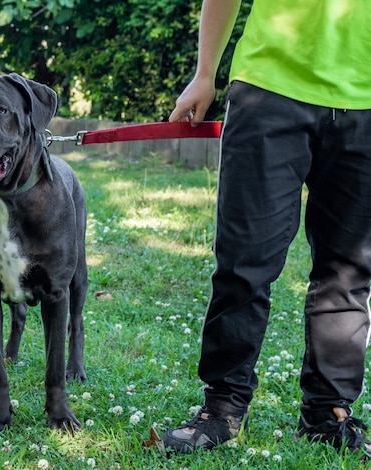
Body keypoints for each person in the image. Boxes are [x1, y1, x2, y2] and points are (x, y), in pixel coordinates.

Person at [162, 0, 371, 457]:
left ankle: (328, 413)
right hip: (269, 90)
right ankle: (222, 408)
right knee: (244, 262)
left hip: (367, 102)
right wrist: (205, 74)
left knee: (350, 272)